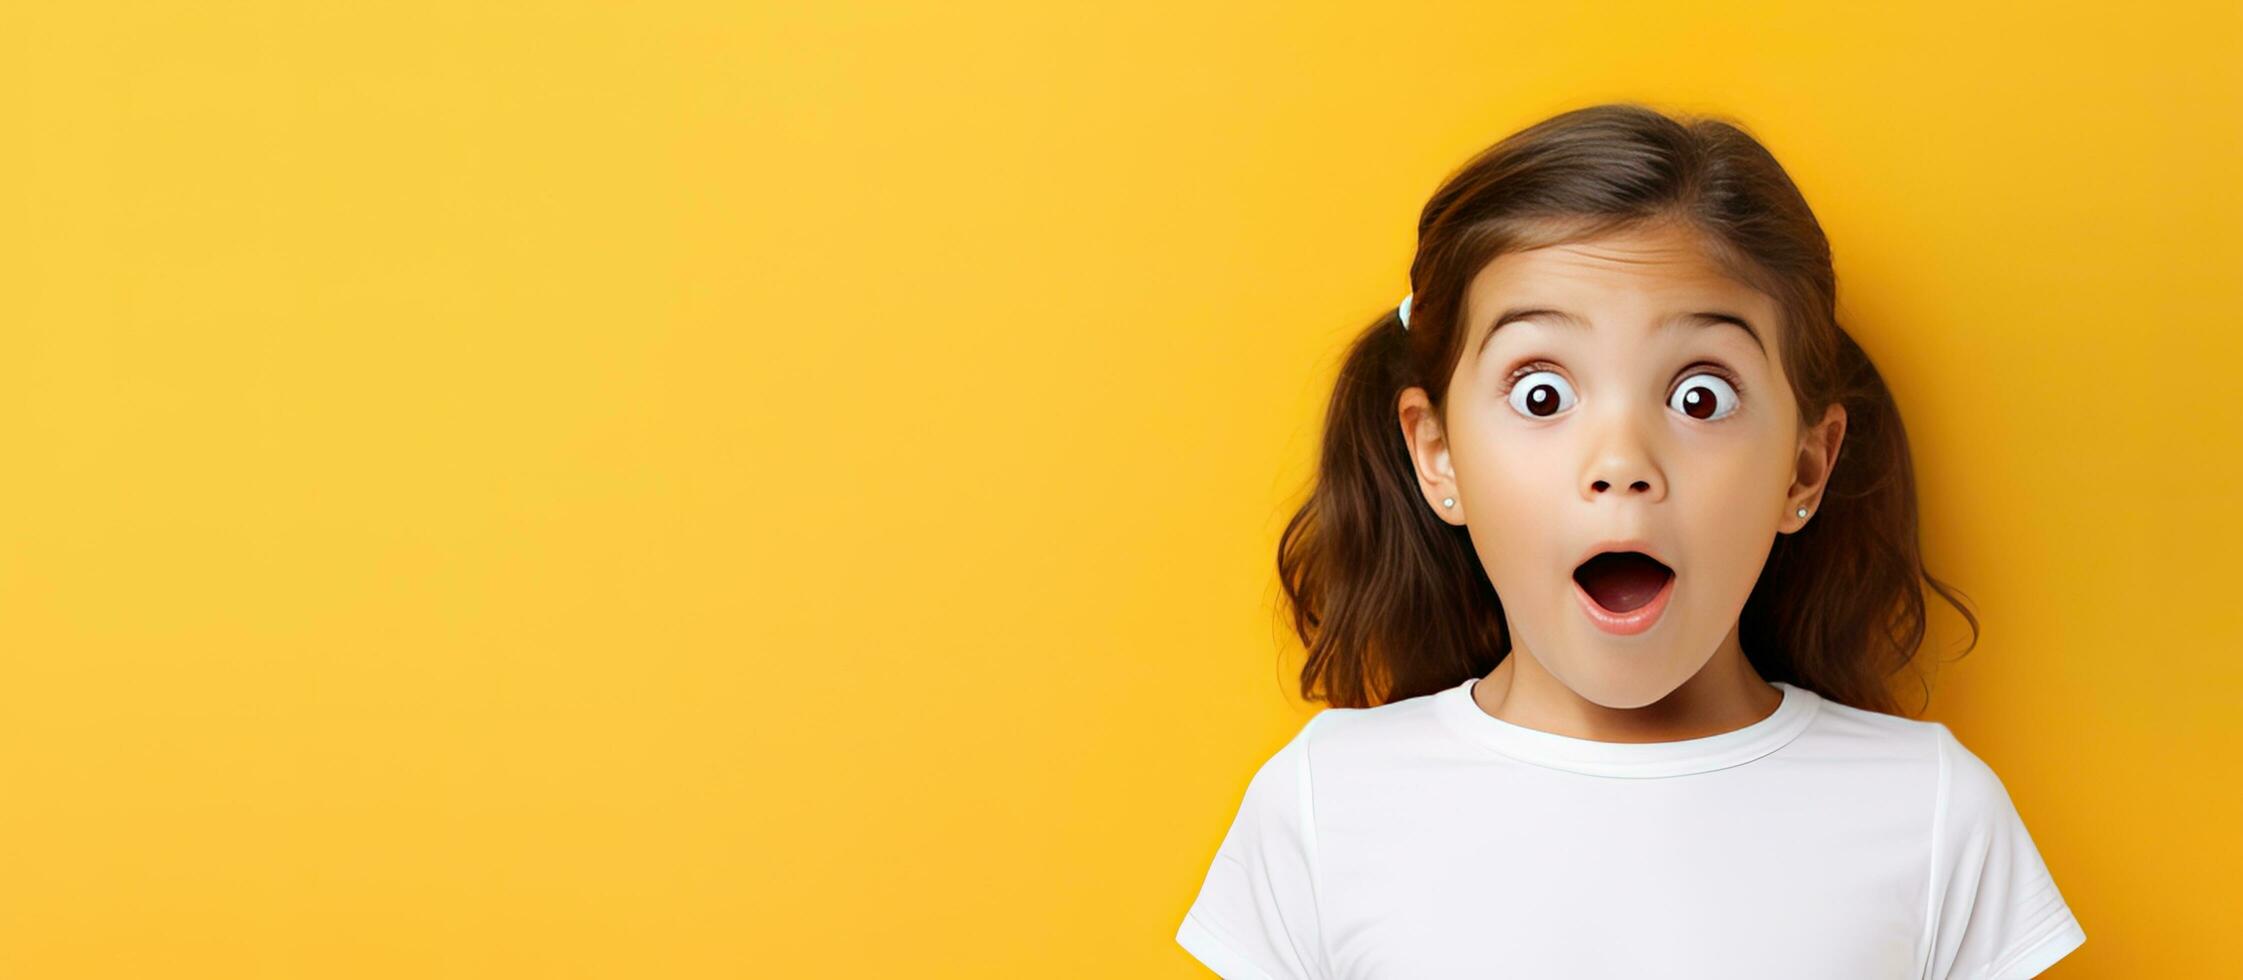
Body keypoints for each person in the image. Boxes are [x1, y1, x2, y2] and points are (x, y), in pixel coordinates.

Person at [1175, 102, 2087, 979]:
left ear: (1804, 469)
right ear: (1438, 455)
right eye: (1542, 395)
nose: (1620, 463)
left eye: (1700, 397)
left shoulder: (1931, 815)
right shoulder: (1324, 805)